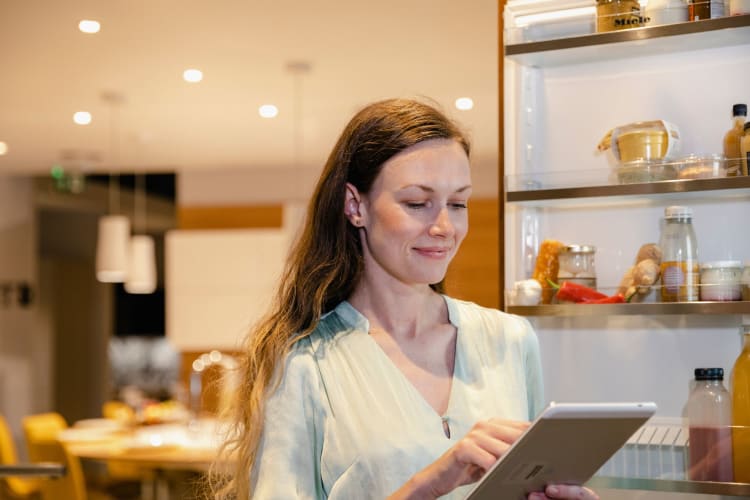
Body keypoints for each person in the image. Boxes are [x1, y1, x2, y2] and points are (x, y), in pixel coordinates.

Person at [213, 98, 598, 500]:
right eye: (417, 203)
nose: (445, 227)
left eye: (458, 203)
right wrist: (433, 481)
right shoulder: (305, 362)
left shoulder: (511, 339)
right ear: (355, 205)